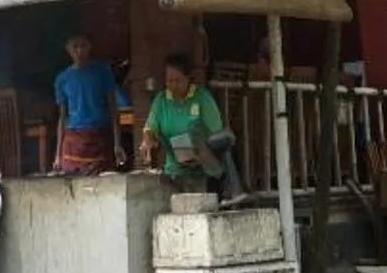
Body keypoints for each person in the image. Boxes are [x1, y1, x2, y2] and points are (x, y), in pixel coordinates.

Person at [138, 51, 243, 200]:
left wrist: (199, 154)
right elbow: (150, 127)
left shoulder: (202, 97)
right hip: (173, 172)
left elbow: (215, 134)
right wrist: (147, 141)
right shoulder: (161, 100)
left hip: (201, 174)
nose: (173, 85)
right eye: (169, 81)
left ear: (188, 78)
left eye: (178, 80)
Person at [51, 32, 124, 175]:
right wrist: (57, 156)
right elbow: (63, 117)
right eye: (75, 47)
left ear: (90, 47)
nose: (79, 51)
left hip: (99, 137)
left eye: (83, 46)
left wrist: (117, 144)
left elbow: (113, 109)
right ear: (68, 49)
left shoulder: (103, 72)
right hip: (73, 140)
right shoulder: (62, 79)